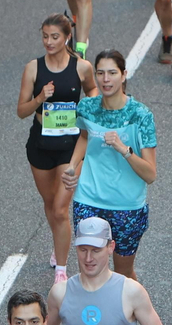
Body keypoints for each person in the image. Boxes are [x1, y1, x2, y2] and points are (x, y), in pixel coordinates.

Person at [17, 14, 98, 283]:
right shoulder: (33, 69)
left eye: (54, 37)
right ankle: (58, 242)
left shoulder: (81, 67)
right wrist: (40, 98)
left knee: (62, 209)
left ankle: (61, 271)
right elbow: (21, 110)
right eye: (45, 36)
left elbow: (93, 93)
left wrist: (88, 113)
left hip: (70, 146)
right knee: (50, 204)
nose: (49, 42)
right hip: (40, 144)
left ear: (66, 37)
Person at [66, 50, 159, 279]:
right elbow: (86, 136)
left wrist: (123, 150)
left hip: (126, 205)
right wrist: (72, 164)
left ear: (124, 75)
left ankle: (135, 314)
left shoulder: (141, 115)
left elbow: (150, 174)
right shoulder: (87, 107)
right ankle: (93, 315)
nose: (106, 79)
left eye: (112, 73)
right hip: (88, 199)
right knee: (89, 269)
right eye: (100, 73)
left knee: (122, 273)